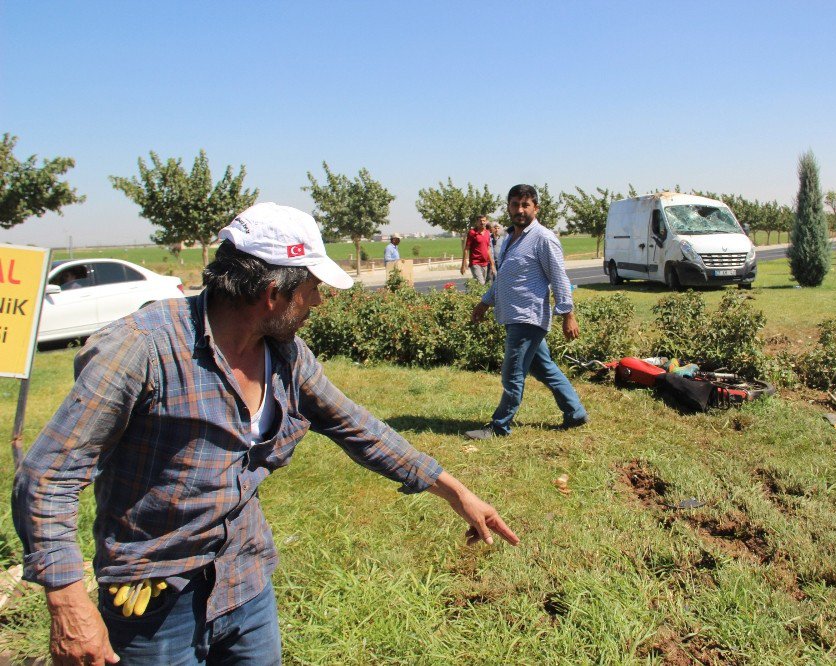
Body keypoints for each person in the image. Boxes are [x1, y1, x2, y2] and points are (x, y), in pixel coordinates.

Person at [13, 202, 519, 665]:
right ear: (273, 294)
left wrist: (454, 491)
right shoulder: (142, 350)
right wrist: (69, 603)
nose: (318, 301)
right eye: (312, 288)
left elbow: (356, 425)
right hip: (152, 600)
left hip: (244, 580)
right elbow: (47, 477)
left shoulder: (285, 356)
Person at [465, 185, 589, 439]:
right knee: (544, 369)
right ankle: (575, 413)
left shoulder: (543, 238)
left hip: (528, 316)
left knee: (513, 373)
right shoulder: (510, 238)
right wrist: (484, 302)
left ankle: (499, 426)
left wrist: (568, 314)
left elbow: (559, 277)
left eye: (525, 205)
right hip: (514, 315)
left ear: (536, 208)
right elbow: (504, 279)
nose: (519, 210)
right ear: (508, 207)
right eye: (514, 205)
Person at [460, 215, 495, 285]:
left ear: (486, 222)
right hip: (475, 262)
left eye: (484, 221)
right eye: (480, 221)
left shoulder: (487, 233)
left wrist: (492, 264)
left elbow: (488, 249)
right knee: (481, 284)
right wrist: (463, 265)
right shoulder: (472, 233)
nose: (482, 222)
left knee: (484, 285)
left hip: (485, 263)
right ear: (477, 222)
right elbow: (466, 249)